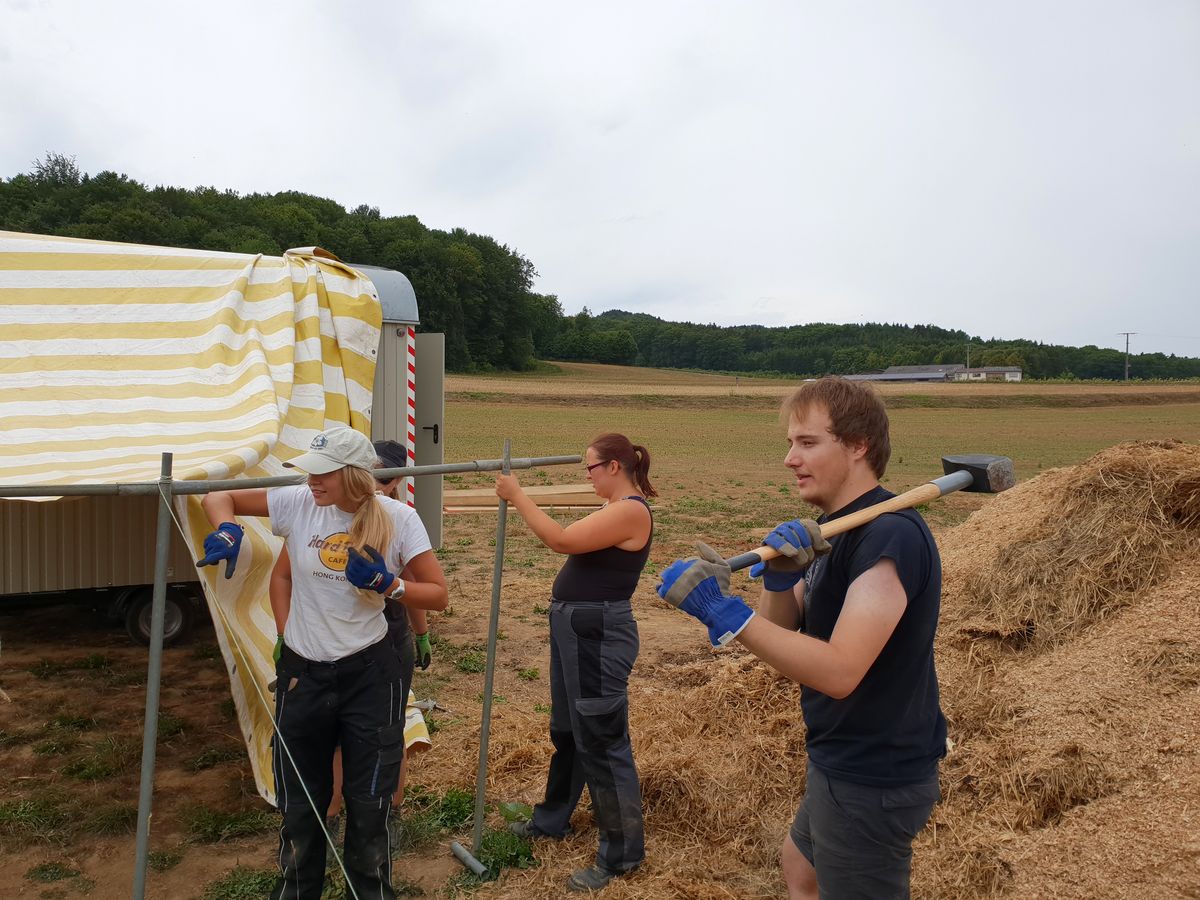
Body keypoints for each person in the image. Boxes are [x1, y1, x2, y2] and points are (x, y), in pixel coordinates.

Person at [658, 377, 946, 900]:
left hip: (874, 771)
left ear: (859, 445)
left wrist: (723, 612)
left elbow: (839, 672)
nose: (791, 458)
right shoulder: (835, 531)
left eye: (808, 443)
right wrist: (781, 582)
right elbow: (785, 631)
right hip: (839, 754)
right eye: (790, 444)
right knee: (801, 865)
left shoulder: (889, 537)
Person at [199, 425, 448, 900]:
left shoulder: (399, 517)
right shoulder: (298, 503)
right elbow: (219, 495)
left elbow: (437, 594)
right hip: (304, 673)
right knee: (300, 799)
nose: (312, 481)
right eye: (309, 472)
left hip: (370, 673)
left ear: (354, 476)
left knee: (369, 800)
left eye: (323, 474)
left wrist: (389, 585)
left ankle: (370, 891)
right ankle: (296, 890)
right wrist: (227, 528)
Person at [495, 433, 656, 893]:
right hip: (578, 628)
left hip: (597, 633)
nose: (585, 476)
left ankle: (621, 855)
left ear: (613, 466)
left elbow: (561, 540)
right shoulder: (614, 507)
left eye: (589, 467)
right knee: (568, 729)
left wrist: (517, 494)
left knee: (602, 739)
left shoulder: (630, 509)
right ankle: (552, 820)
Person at [266, 439, 434, 831]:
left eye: (391, 480)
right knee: (336, 739)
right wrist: (284, 630)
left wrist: (417, 629)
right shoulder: (311, 513)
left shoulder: (396, 520)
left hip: (387, 638)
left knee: (386, 734)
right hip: (327, 648)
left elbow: (420, 587)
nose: (385, 485)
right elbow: (284, 574)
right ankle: (331, 812)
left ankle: (386, 810)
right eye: (382, 477)